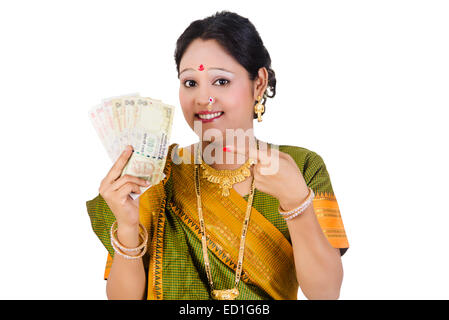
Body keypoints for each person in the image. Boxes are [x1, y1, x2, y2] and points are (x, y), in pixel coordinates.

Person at [86, 10, 349, 300]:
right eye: (190, 83)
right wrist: (127, 224)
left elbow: (325, 294)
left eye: (221, 81)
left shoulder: (300, 167)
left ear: (258, 83)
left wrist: (296, 203)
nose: (202, 98)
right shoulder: (156, 173)